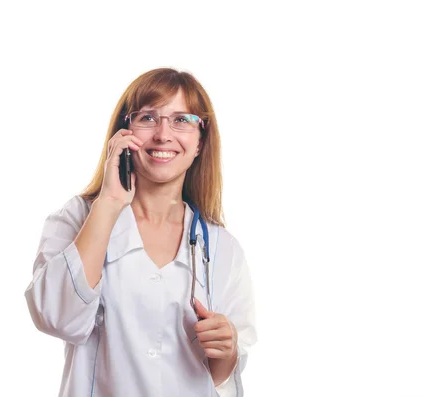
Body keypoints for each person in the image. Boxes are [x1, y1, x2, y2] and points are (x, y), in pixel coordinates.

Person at [24, 68, 257, 397]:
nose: (163, 135)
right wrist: (108, 202)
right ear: (124, 132)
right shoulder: (77, 218)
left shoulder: (222, 248)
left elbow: (220, 376)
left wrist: (228, 348)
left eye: (181, 120)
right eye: (148, 118)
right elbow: (56, 319)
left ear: (201, 141)